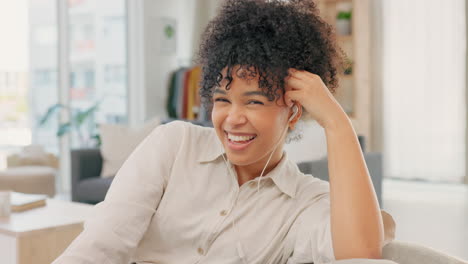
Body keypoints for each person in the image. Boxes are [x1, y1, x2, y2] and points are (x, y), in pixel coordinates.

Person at [53, 0, 396, 263]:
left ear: (292, 111)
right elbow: (100, 245)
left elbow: (360, 253)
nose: (232, 118)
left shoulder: (304, 201)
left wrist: (337, 123)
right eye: (222, 99)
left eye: (254, 102)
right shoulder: (174, 146)